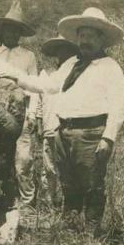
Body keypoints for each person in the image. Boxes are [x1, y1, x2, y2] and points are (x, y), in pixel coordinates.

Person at [0, 7, 124, 235]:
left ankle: (91, 232)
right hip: (63, 131)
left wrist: (108, 138)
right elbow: (47, 85)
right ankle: (71, 227)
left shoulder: (110, 67)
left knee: (92, 183)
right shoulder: (70, 65)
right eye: (82, 36)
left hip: (92, 132)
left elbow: (118, 107)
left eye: (91, 36)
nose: (85, 41)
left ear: (101, 38)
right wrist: (16, 77)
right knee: (68, 182)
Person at [0, 1, 39, 209]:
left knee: (23, 160)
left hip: (22, 111)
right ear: (3, 30)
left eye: (16, 30)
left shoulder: (28, 56)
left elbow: (34, 87)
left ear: (20, 33)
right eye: (8, 29)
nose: (11, 34)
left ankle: (27, 204)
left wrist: (33, 114)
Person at [36, 35, 79, 208]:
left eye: (66, 50)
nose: (63, 55)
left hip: (65, 129)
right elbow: (39, 102)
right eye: (60, 51)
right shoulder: (47, 75)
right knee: (48, 168)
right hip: (48, 128)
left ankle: (67, 205)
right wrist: (39, 124)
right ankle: (50, 203)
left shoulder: (76, 75)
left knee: (66, 169)